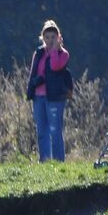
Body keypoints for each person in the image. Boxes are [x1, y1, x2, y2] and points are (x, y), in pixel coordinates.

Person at [27, 19, 73, 162]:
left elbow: (55, 66)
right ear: (42, 38)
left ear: (58, 37)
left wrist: (54, 50)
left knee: (55, 131)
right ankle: (45, 161)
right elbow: (33, 72)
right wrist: (31, 89)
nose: (50, 40)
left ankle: (59, 161)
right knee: (42, 131)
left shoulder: (63, 54)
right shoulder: (38, 53)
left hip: (55, 97)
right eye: (47, 37)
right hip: (39, 96)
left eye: (53, 37)